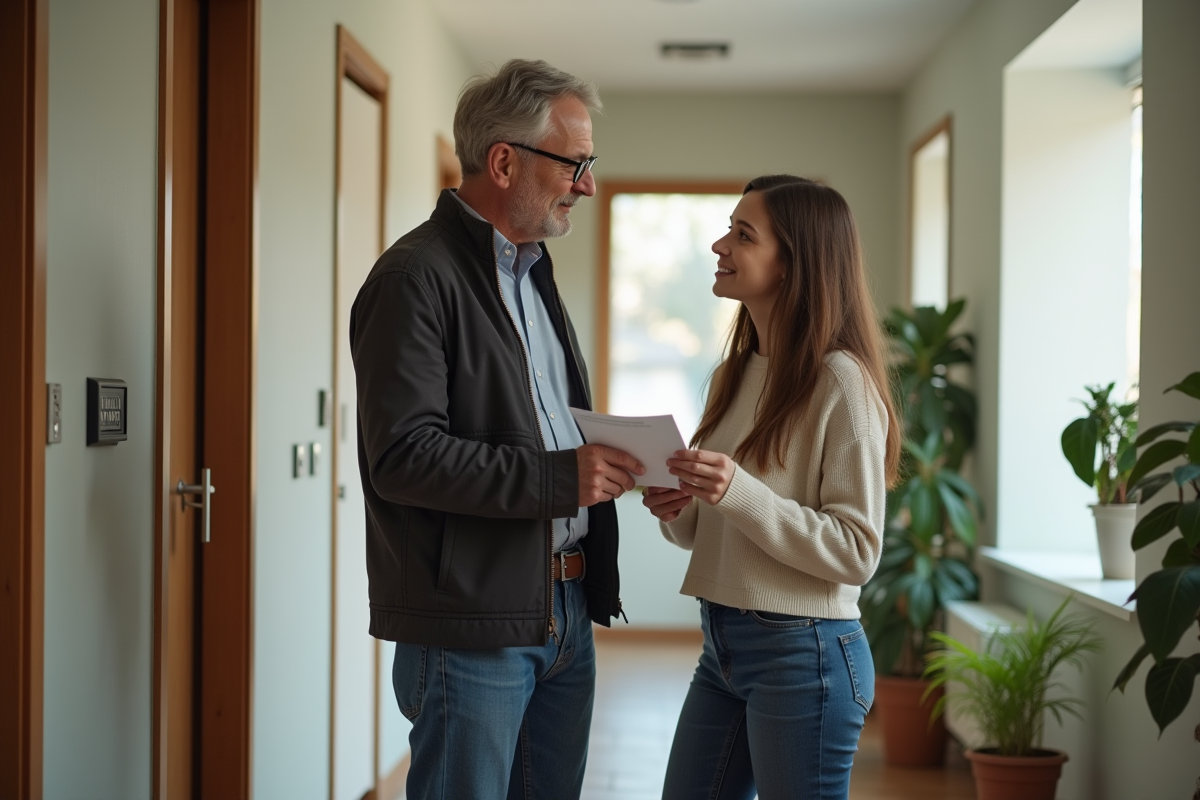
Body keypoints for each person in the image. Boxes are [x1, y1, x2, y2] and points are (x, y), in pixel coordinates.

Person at [349, 59, 643, 800]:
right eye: (575, 164)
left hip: (564, 608)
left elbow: (533, 424)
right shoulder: (413, 278)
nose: (588, 185)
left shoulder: (533, 274)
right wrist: (562, 477)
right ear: (505, 162)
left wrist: (608, 466)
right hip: (473, 623)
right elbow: (404, 456)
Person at [642, 175, 901, 800]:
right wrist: (678, 509)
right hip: (723, 646)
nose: (720, 246)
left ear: (792, 262)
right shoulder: (731, 375)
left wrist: (738, 490)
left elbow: (857, 551)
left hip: (805, 654)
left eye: (743, 234)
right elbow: (711, 529)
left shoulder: (842, 382)